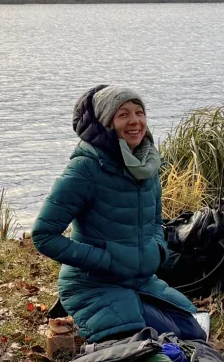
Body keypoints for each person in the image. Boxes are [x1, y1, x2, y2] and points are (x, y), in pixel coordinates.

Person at [31, 84, 204, 344]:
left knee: (195, 334)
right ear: (106, 123)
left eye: (139, 112)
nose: (135, 121)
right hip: (94, 284)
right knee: (158, 343)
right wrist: (105, 260)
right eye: (123, 114)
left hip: (140, 280)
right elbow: (44, 235)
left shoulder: (148, 166)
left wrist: (158, 249)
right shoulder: (85, 168)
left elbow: (156, 221)